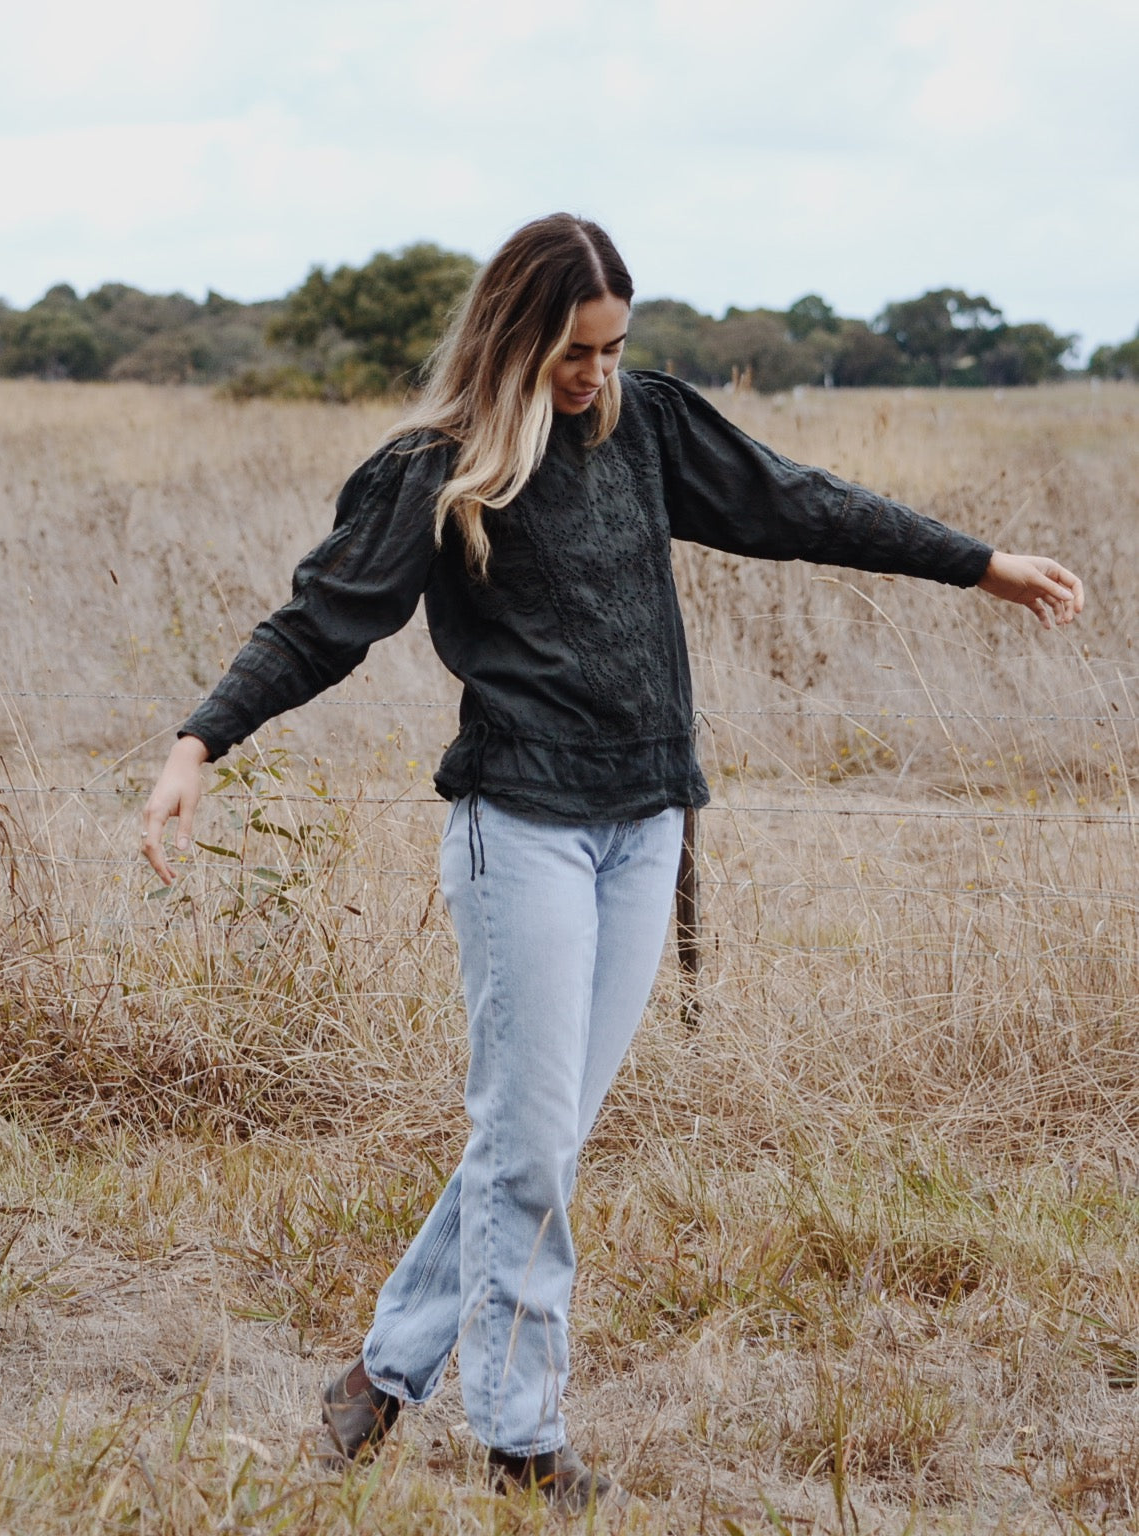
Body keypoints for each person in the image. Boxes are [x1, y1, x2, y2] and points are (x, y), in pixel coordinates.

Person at [141, 213, 1083, 1512]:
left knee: (543, 1136)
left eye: (613, 348)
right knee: (526, 1141)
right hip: (515, 827)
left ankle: (380, 1374)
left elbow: (794, 501)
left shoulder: (646, 425)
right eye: (574, 353)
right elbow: (322, 622)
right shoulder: (434, 470)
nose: (595, 375)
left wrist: (974, 562)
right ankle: (522, 1439)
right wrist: (201, 742)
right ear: (515, 337)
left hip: (645, 827)